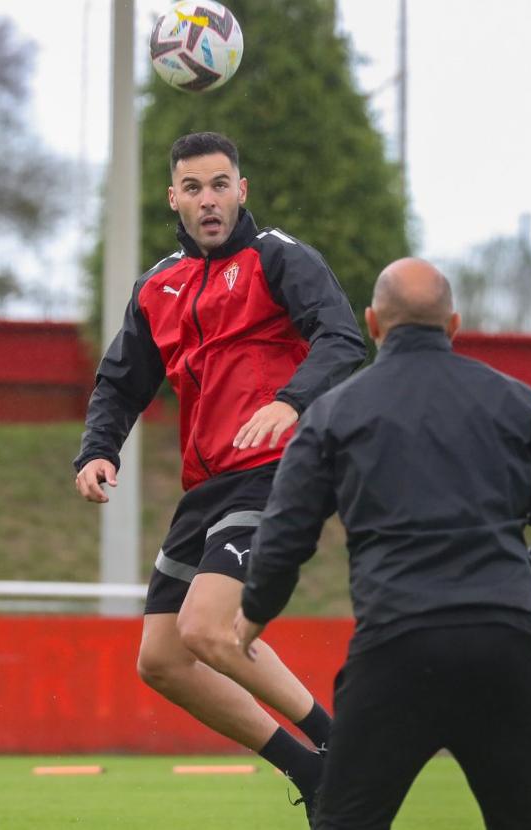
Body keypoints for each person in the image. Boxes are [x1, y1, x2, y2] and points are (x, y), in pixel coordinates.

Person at [233, 258, 531, 829]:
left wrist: (254, 613)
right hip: (504, 650)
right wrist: (518, 590)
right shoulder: (516, 403)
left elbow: (287, 531)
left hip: (396, 648)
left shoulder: (334, 412)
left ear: (373, 324)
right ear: (453, 325)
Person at [73, 132, 366, 818]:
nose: (210, 200)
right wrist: (96, 451)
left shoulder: (278, 259)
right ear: (173, 198)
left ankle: (342, 747)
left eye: (221, 184)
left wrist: (288, 403)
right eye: (195, 188)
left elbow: (343, 337)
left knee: (207, 629)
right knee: (162, 660)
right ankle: (313, 773)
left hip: (276, 470)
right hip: (207, 488)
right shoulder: (157, 288)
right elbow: (120, 386)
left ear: (243, 190)